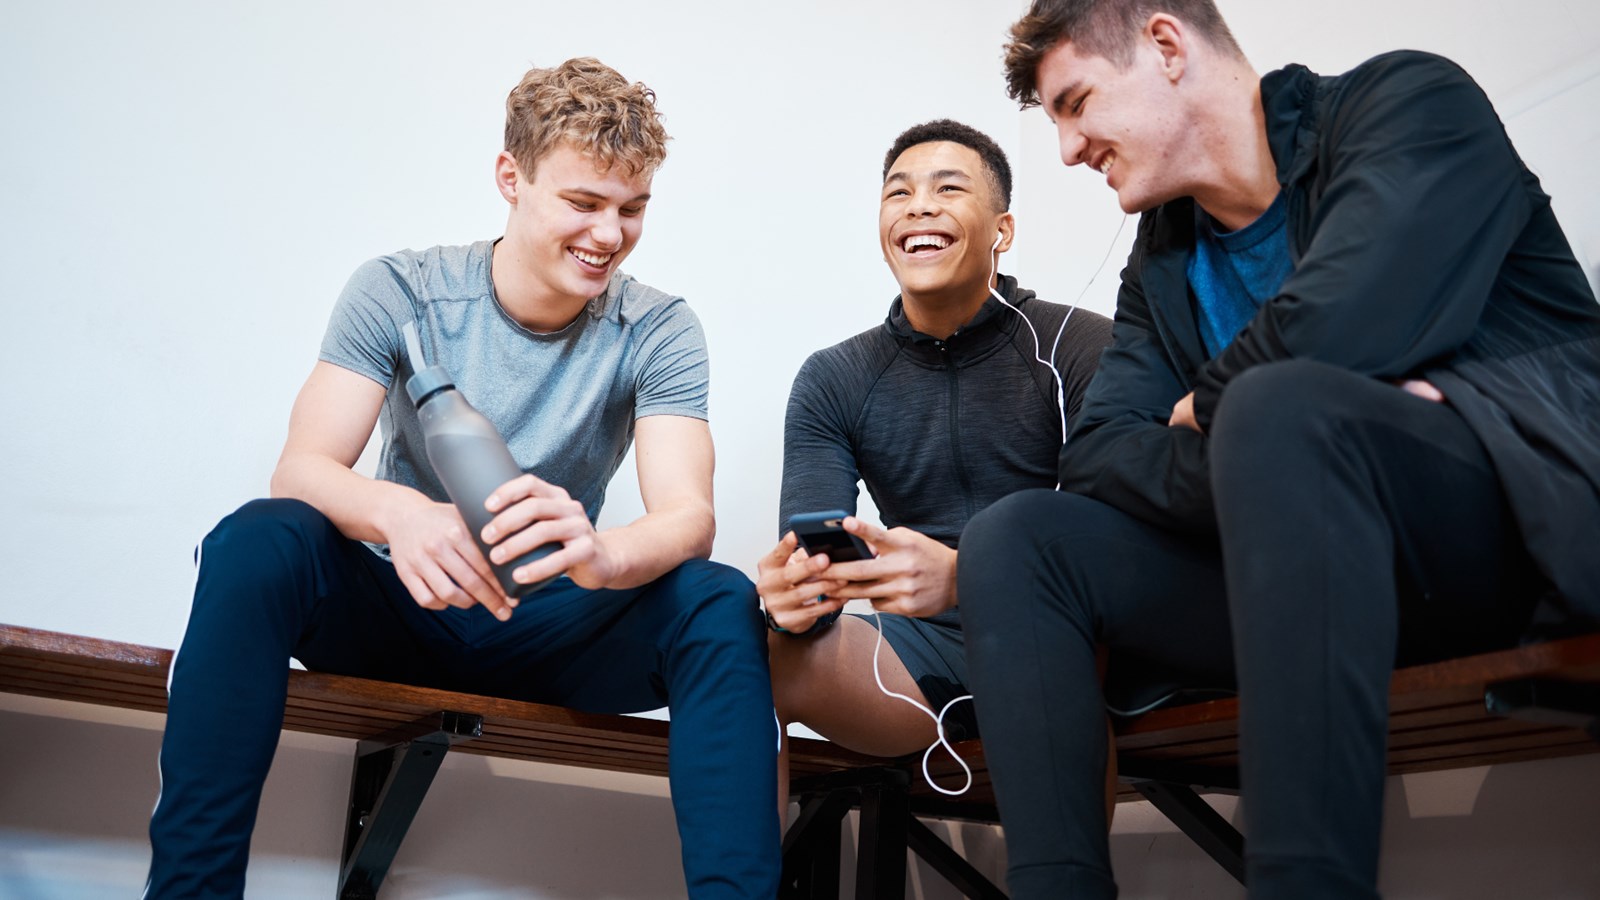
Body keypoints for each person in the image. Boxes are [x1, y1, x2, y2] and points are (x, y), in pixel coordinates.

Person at [956, 2, 1600, 897]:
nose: (1068, 150)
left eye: (1076, 103)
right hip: (1294, 575)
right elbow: (1097, 454)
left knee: (1279, 406)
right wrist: (1269, 451)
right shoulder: (1164, 257)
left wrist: (1221, 408)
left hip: (1507, 542)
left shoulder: (1411, 102)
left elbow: (1347, 319)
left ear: (1166, 46)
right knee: (1015, 538)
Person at [145, 58, 779, 899]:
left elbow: (688, 516)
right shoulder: (401, 290)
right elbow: (300, 469)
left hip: (548, 625)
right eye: (583, 203)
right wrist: (398, 514)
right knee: (258, 540)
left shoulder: (658, 328)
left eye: (632, 209)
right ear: (511, 178)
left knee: (717, 598)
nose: (608, 234)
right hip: (403, 600)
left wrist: (602, 556)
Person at [756, 119, 1112, 813]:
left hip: (1066, 641)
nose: (918, 206)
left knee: (1061, 650)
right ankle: (745, 874)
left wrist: (969, 577)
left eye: (948, 189)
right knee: (745, 654)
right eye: (899, 193)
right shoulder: (835, 378)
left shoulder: (1081, 346)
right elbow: (812, 568)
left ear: (1002, 231)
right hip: (920, 659)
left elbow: (1116, 554)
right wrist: (794, 604)